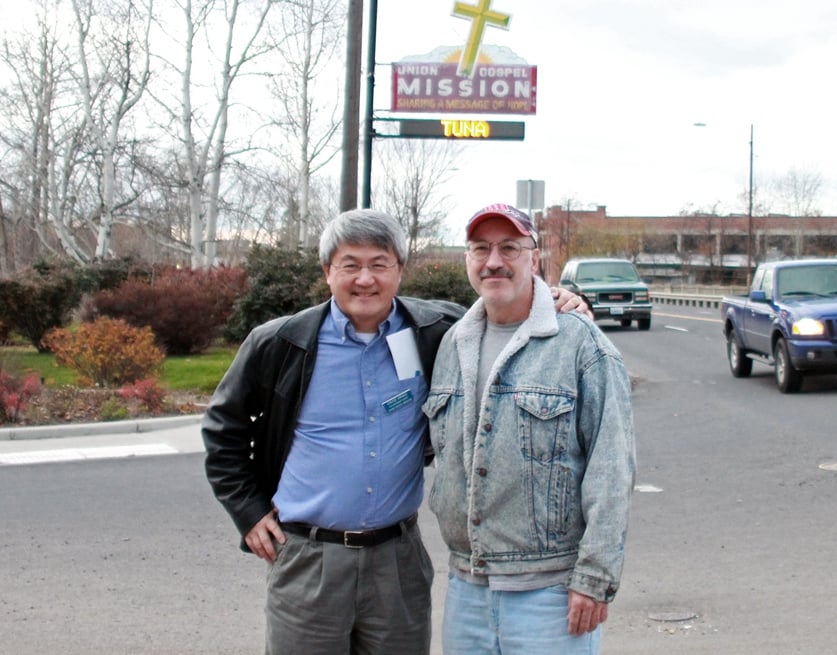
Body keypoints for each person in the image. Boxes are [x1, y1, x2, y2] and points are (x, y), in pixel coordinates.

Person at [201, 208, 588, 655]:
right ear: (328, 272)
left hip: (397, 562)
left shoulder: (437, 331)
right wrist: (248, 511)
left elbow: (507, 307)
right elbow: (222, 428)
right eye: (350, 265)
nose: (365, 279)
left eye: (379, 264)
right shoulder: (280, 343)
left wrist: (561, 299)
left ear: (400, 271)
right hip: (308, 560)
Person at [423, 203, 636, 655]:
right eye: (480, 248)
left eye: (509, 248)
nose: (493, 261)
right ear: (467, 259)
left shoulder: (580, 344)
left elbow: (611, 468)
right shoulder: (451, 344)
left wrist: (595, 578)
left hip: (551, 595)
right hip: (467, 589)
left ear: (533, 259)